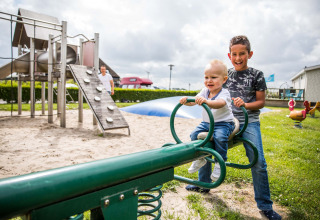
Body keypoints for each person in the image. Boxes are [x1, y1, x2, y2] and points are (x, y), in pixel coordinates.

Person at [188, 35, 281, 220]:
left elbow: (261, 102)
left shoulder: (257, 75)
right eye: (234, 54)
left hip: (249, 121)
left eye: (242, 54)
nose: (238, 58)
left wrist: (245, 105)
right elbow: (210, 90)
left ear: (250, 54)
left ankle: (265, 205)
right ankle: (203, 183)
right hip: (223, 119)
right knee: (206, 143)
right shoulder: (224, 75)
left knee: (258, 161)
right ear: (229, 55)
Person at [180, 59, 235, 186]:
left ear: (224, 79)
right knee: (194, 135)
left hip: (224, 123)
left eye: (214, 77)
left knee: (220, 137)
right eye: (206, 77)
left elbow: (219, 103)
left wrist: (206, 102)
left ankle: (219, 162)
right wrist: (186, 101)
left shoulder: (224, 93)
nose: (209, 80)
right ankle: (200, 158)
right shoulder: (205, 91)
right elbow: (194, 100)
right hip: (207, 123)